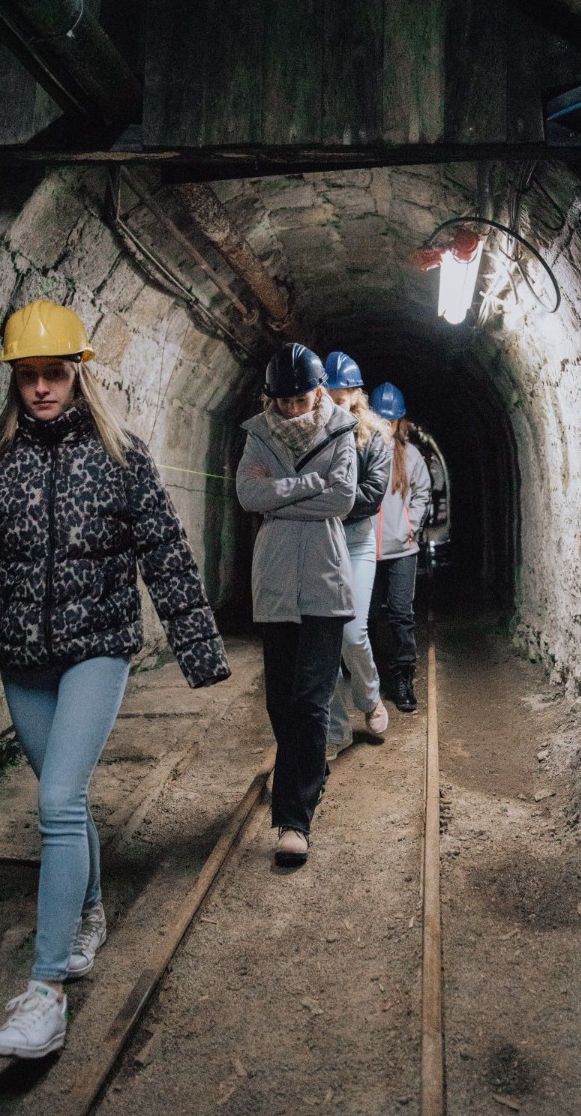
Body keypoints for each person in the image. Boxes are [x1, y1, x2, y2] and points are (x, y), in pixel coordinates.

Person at [0, 298, 231, 1060]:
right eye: (28, 375)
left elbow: (166, 554)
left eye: (53, 374)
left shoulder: (121, 459)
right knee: (68, 798)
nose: (41, 388)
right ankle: (88, 911)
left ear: (78, 374)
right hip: (23, 659)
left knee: (56, 801)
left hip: (97, 650)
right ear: (14, 380)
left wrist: (198, 651)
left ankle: (46, 992)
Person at [235, 342, 357, 867]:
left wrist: (279, 494)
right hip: (276, 582)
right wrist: (309, 484)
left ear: (318, 391)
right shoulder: (258, 433)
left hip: (325, 582)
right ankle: (307, 768)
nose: (290, 408)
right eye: (282, 401)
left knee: (310, 701)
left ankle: (293, 820)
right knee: (280, 702)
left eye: (299, 399)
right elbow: (248, 495)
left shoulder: (342, 432)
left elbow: (342, 498)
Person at [323, 352, 393, 760]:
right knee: (323, 640)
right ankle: (335, 730)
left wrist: (324, 501)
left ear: (355, 394)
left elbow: (372, 494)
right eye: (329, 394)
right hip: (318, 540)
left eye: (343, 394)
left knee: (352, 632)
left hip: (355, 540)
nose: (337, 400)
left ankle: (369, 698)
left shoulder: (374, 437)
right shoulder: (309, 429)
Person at [369, 383, 432, 714]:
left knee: (400, 615)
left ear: (399, 422)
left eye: (390, 421)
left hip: (402, 551)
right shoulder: (359, 450)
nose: (386, 427)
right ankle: (367, 679)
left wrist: (410, 526)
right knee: (364, 617)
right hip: (365, 549)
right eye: (380, 420)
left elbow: (422, 493)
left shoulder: (410, 456)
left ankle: (403, 677)